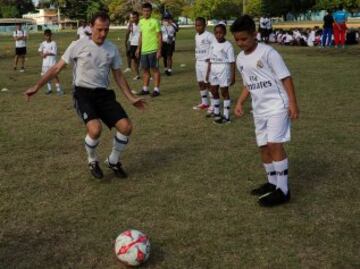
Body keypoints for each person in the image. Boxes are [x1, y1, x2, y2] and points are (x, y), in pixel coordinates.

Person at [24, 12, 146, 179]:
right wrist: (37, 86)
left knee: (126, 127)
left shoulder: (111, 49)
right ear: (90, 27)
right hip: (83, 94)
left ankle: (113, 160)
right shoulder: (77, 45)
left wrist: (131, 97)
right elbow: (56, 68)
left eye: (106, 30)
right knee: (95, 129)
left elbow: (118, 75)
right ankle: (92, 160)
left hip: (104, 95)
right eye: (99, 29)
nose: (103, 34)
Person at [231, 15, 299, 206]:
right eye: (237, 40)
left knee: (274, 144)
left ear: (254, 34)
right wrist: (239, 103)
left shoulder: (268, 53)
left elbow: (286, 78)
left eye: (244, 38)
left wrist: (293, 104)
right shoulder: (240, 59)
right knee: (263, 146)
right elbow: (248, 84)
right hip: (258, 109)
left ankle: (284, 190)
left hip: (278, 105)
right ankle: (272, 184)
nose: (240, 43)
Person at [206, 22, 235, 124]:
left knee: (224, 92)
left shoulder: (228, 46)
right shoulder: (213, 44)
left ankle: (226, 116)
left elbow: (232, 62)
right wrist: (207, 72)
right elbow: (210, 59)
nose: (218, 35)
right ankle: (217, 113)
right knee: (213, 91)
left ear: (225, 33)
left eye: (221, 33)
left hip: (224, 68)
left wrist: (233, 76)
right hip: (213, 68)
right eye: (216, 33)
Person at [136, 2, 162, 97]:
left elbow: (159, 37)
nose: (146, 13)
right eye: (144, 11)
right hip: (144, 51)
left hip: (153, 50)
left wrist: (159, 50)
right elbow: (141, 36)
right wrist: (138, 48)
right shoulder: (141, 22)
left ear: (151, 11)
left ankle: (156, 89)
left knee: (154, 69)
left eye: (148, 11)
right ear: (142, 11)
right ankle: (145, 89)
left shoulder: (155, 22)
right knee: (145, 70)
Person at [193, 17, 216, 112]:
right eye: (196, 25)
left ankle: (214, 105)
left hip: (206, 63)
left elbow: (215, 47)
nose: (197, 27)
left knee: (209, 84)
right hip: (198, 62)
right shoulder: (196, 36)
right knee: (201, 83)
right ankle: (205, 103)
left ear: (204, 25)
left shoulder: (209, 36)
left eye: (199, 25)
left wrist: (211, 59)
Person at [38, 29, 63, 95]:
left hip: (52, 63)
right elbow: (40, 50)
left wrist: (46, 54)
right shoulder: (43, 43)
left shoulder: (53, 43)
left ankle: (59, 90)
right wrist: (41, 55)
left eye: (48, 36)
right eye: (46, 36)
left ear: (51, 36)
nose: (47, 37)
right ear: (44, 36)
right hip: (45, 64)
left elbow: (54, 53)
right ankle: (49, 89)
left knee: (54, 76)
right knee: (46, 77)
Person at [125, 11, 140, 80]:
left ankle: (149, 75)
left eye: (134, 17)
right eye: (132, 17)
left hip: (141, 43)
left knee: (143, 60)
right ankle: (137, 75)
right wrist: (126, 41)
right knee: (134, 60)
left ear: (138, 17)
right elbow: (127, 33)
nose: (133, 19)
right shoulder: (131, 24)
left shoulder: (141, 24)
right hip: (133, 43)